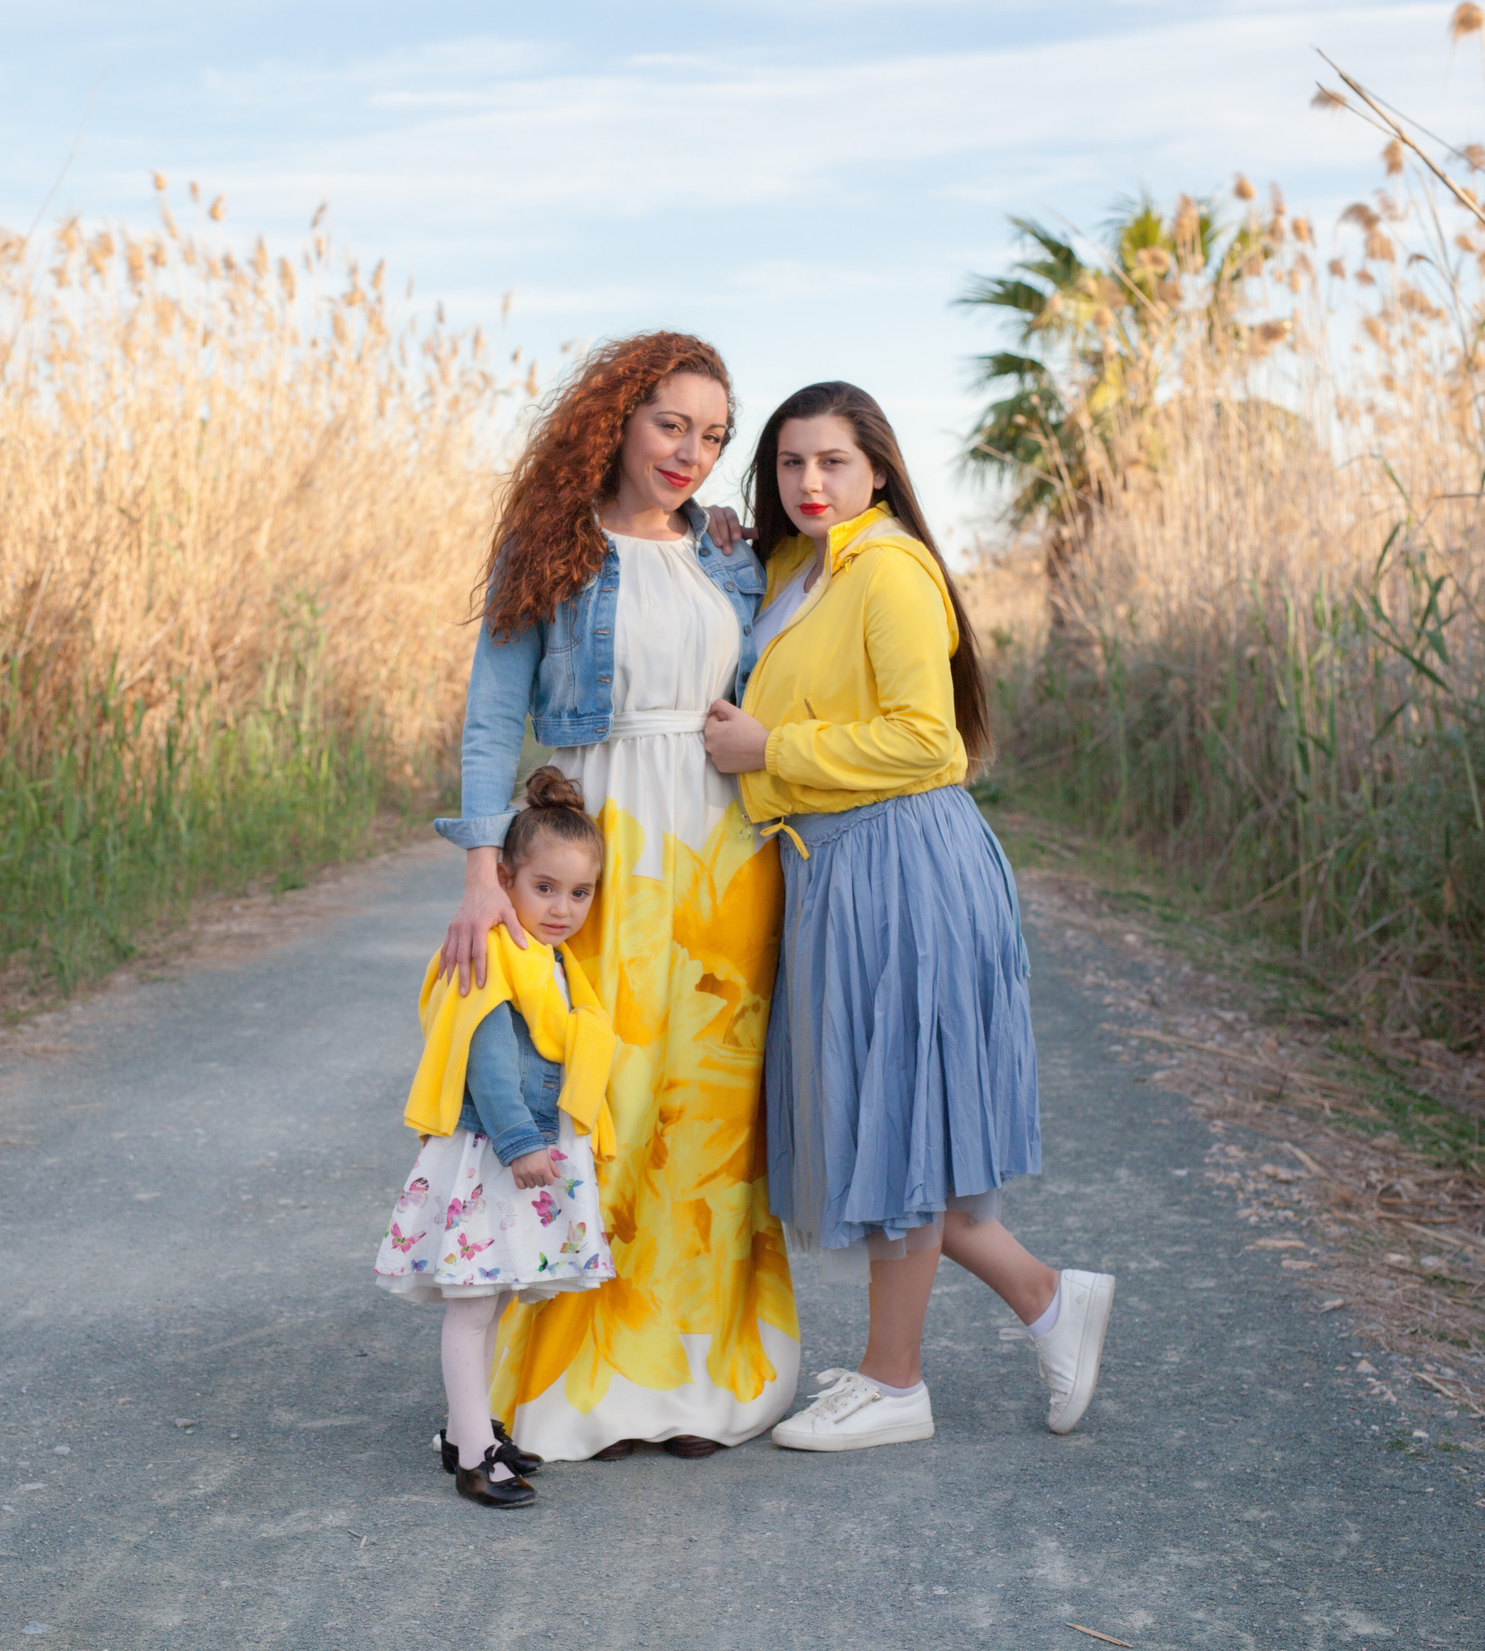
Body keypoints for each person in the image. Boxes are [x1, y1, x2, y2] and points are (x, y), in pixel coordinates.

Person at [701, 381, 1116, 1452]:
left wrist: (771, 753)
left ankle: (895, 1385)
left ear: (877, 468)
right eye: (791, 463)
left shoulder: (889, 569)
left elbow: (927, 744)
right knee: (898, 1122)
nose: (809, 483)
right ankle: (1045, 1300)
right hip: (838, 867)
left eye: (833, 462)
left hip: (901, 863)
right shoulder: (800, 567)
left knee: (895, 1119)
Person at [436, 330, 798, 1462]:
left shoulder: (729, 556)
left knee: (708, 1120)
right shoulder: (550, 546)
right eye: (671, 425)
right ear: (618, 421)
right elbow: (496, 717)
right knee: (593, 1099)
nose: (692, 453)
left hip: (723, 859)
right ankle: (569, 1381)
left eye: (714, 436)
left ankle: (697, 1382)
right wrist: (482, 867)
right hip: (603, 848)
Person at [376, 767, 619, 1507]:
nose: (563, 907)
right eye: (545, 887)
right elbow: (485, 1055)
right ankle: (474, 1458)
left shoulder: (555, 962)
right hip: (496, 1151)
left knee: (499, 1296)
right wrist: (520, 1141)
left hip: (526, 1151)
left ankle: (467, 1428)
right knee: (472, 1303)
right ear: (505, 877)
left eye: (580, 893)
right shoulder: (494, 952)